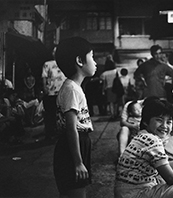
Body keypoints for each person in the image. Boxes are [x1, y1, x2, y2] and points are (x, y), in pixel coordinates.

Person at [114, 97, 173, 198]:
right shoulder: (152, 140)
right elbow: (170, 177)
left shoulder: (142, 135)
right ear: (146, 121)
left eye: (169, 122)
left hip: (126, 193)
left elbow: (166, 165)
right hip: (136, 194)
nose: (164, 126)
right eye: (159, 120)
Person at [53, 37, 97, 197]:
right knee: (75, 193)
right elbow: (71, 128)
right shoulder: (71, 89)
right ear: (79, 60)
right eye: (92, 56)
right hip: (72, 146)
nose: (95, 62)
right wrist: (78, 162)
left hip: (77, 143)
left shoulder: (74, 87)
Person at [42, 45, 66, 141]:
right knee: (50, 114)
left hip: (63, 92)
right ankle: (50, 134)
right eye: (54, 51)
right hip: (51, 93)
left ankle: (62, 133)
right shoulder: (47, 64)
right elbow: (44, 77)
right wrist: (45, 88)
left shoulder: (65, 62)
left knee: (63, 114)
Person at [100, 55, 121, 119]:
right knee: (116, 102)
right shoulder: (116, 71)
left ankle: (112, 115)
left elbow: (104, 83)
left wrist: (103, 90)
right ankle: (116, 112)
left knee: (111, 102)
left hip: (109, 89)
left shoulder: (104, 73)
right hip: (116, 88)